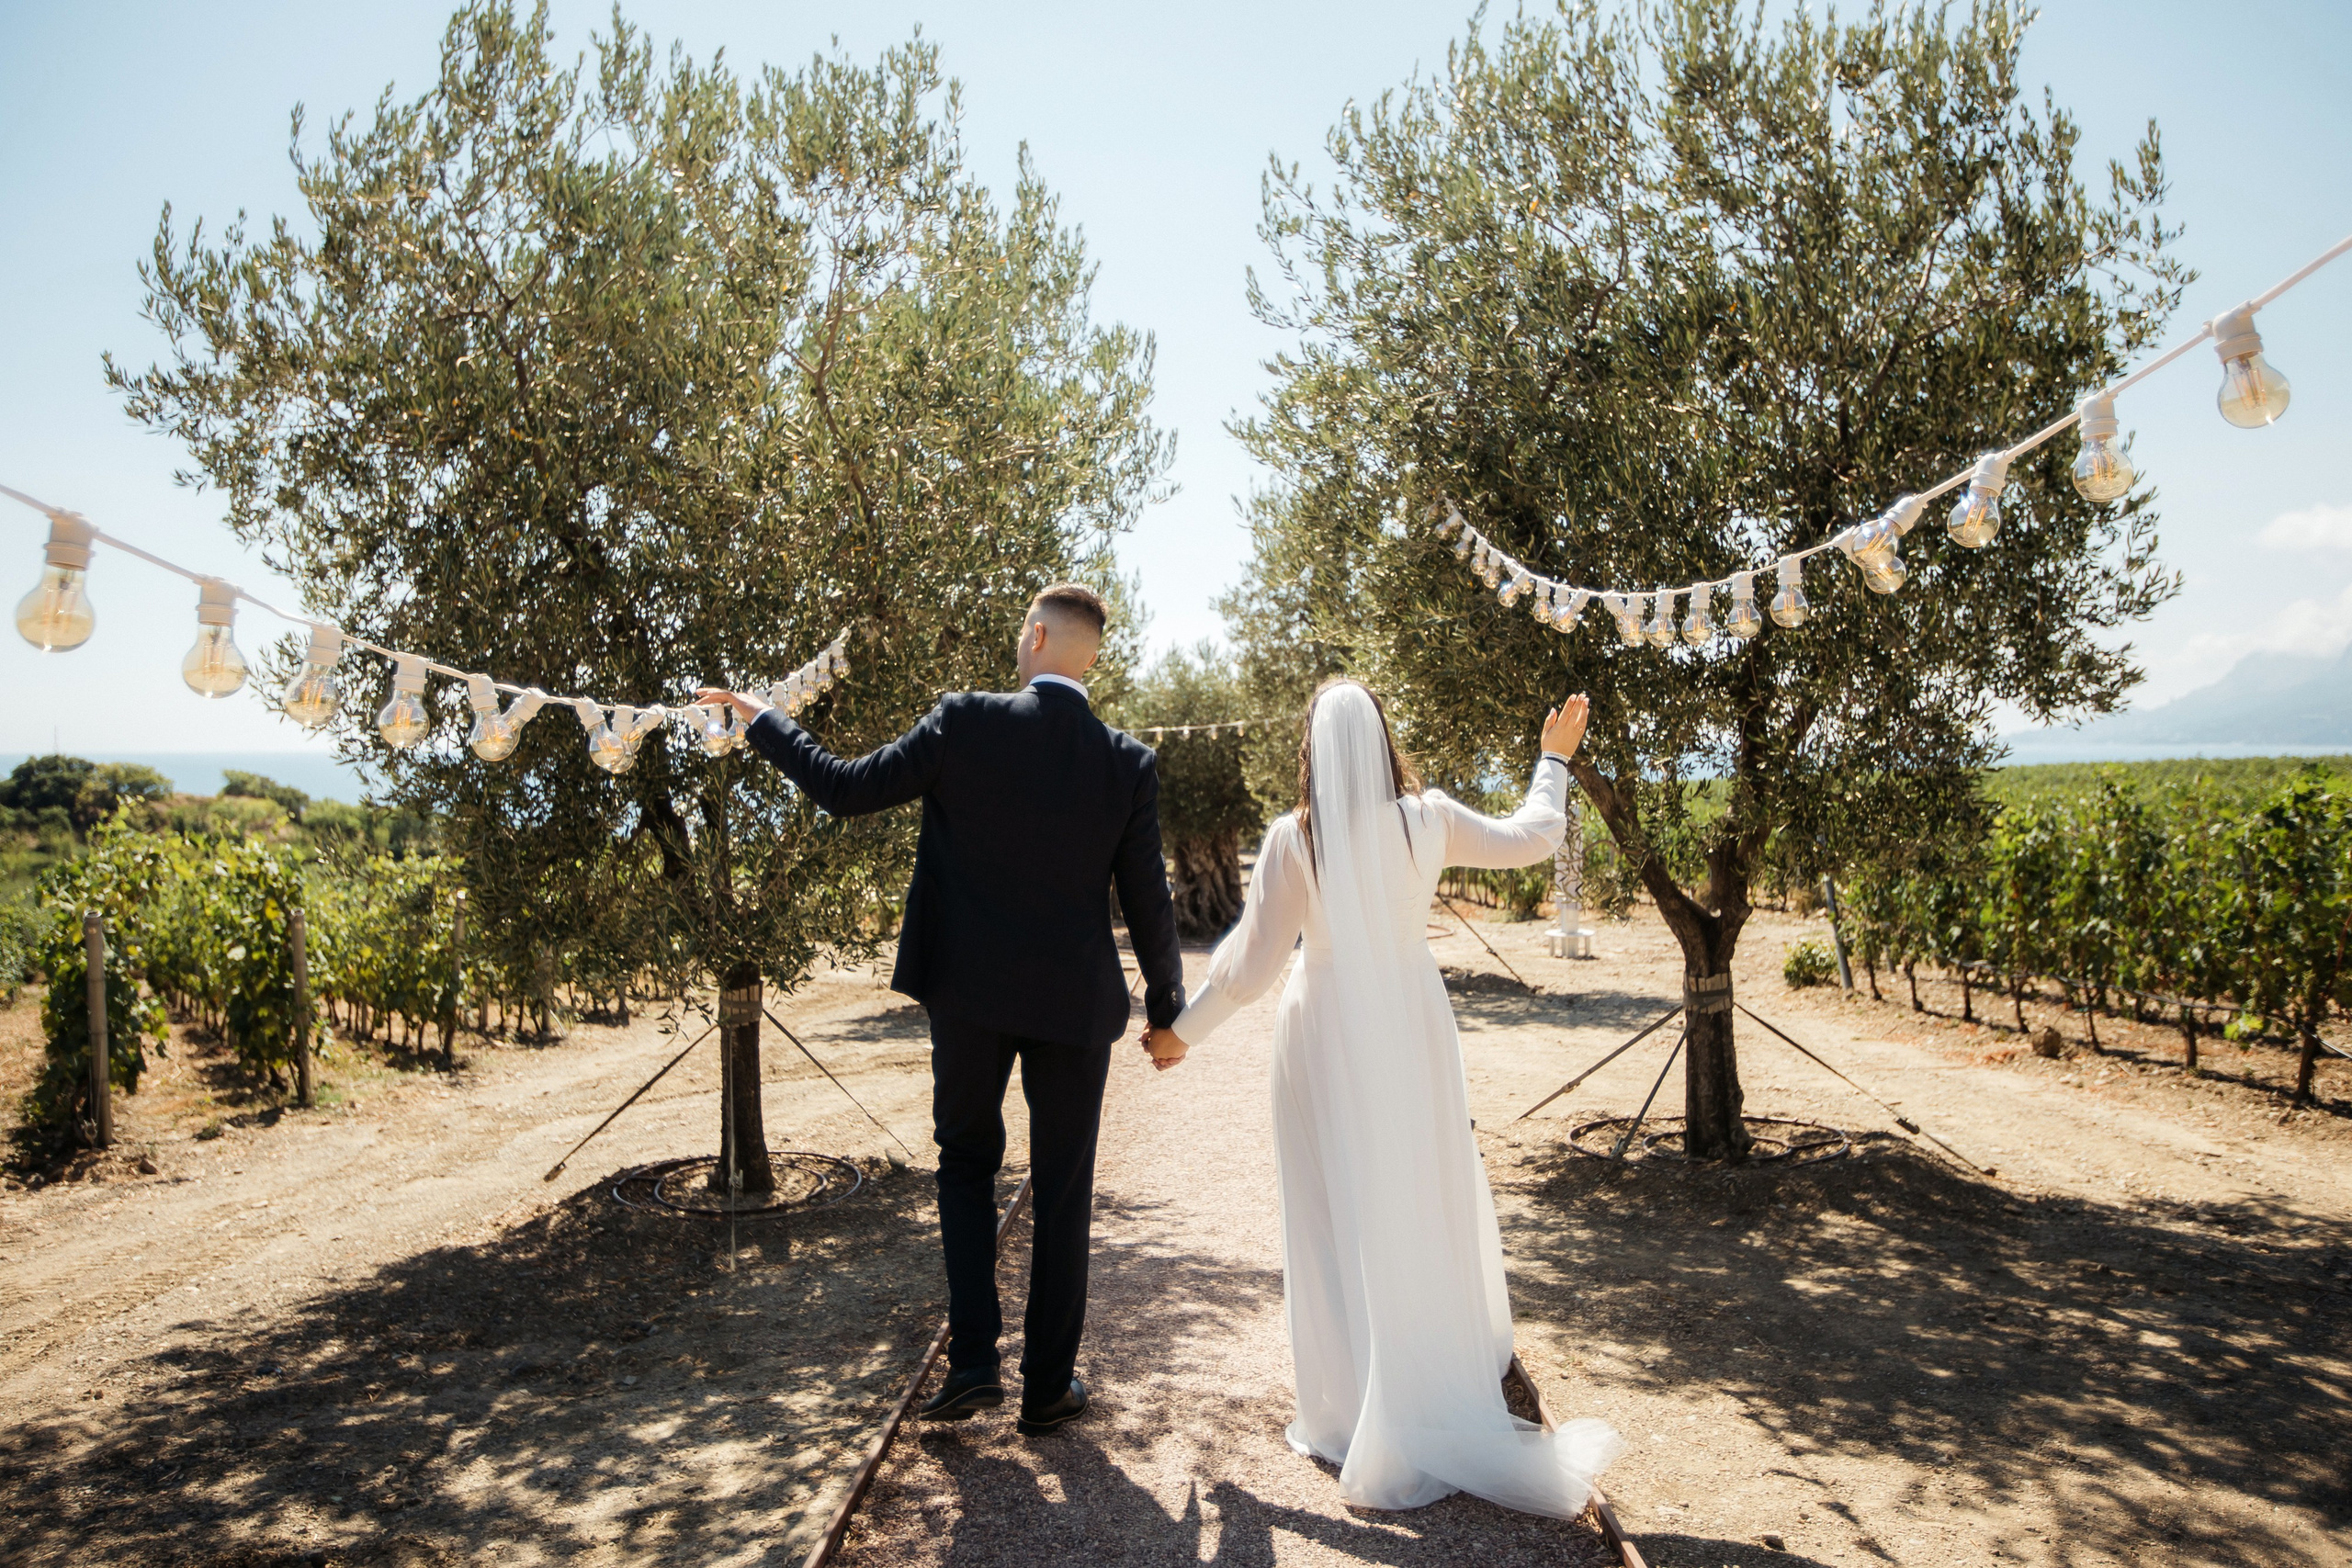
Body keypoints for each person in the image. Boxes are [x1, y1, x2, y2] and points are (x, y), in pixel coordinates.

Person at [697, 583, 1184, 1435]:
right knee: (1064, 1190)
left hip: (969, 993)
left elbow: (844, 788)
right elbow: (1149, 900)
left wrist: (762, 718)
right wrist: (1169, 1011)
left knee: (964, 1163)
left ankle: (970, 1364)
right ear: (1090, 655)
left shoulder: (965, 720)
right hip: (1075, 1006)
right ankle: (1046, 1387)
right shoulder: (1127, 762)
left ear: (1036, 636)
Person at [1141, 679, 1622, 1515]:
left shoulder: (1297, 840)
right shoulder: (1426, 818)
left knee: (1333, 1206)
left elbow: (1249, 970)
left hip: (1323, 1030)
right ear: (1383, 740)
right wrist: (1553, 760)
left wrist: (1182, 1032)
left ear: (1311, 751)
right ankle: (1432, 1371)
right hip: (1410, 1019)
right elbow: (1536, 835)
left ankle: (1349, 1402)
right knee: (1420, 1188)